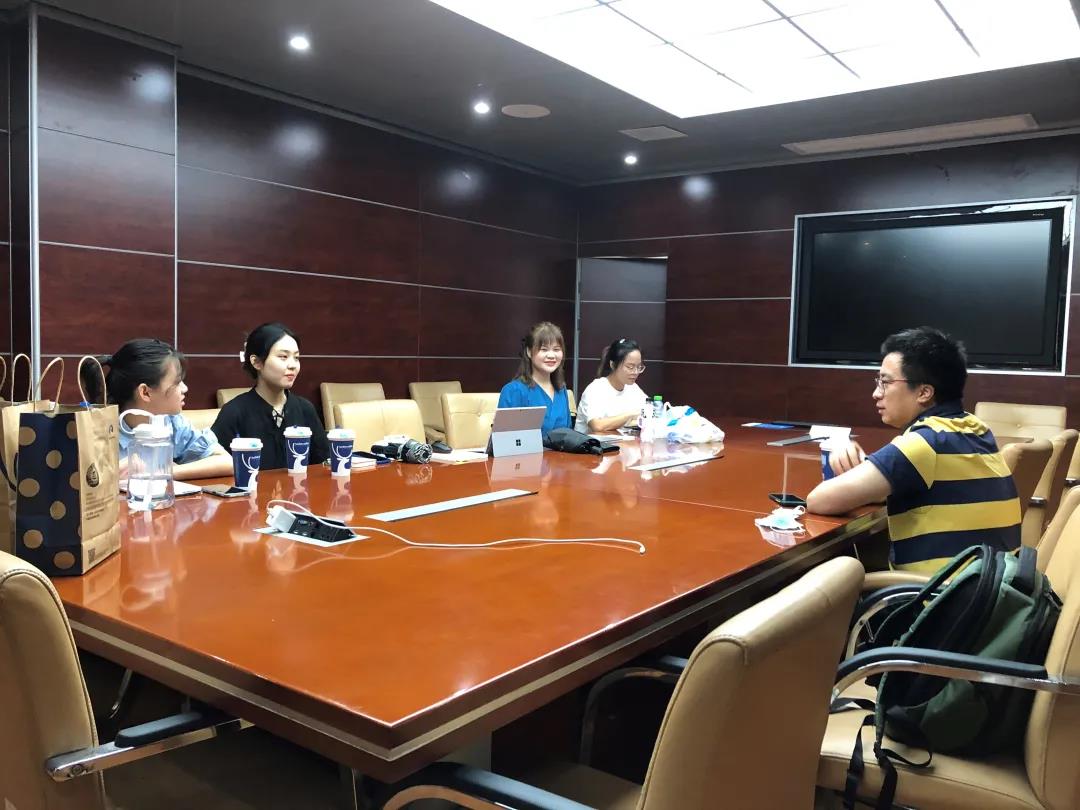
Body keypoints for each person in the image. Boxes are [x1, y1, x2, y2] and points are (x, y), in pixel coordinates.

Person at [806, 326, 1021, 574]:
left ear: (924, 392)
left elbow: (819, 500)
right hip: (991, 587)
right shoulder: (976, 429)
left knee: (835, 578)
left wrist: (845, 455)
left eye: (885, 382)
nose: (876, 393)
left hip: (940, 595)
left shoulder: (925, 443)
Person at [81, 339, 233, 481]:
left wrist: (160, 472)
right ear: (145, 392)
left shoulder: (172, 422)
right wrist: (110, 477)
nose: (185, 388)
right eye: (177, 382)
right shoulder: (96, 430)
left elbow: (226, 462)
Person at [211, 322, 330, 470]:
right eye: (283, 357)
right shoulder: (234, 411)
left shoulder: (305, 408)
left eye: (296, 357)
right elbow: (214, 463)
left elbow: (323, 463)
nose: (293, 365)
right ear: (256, 362)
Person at [498, 321, 572, 436]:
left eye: (556, 349)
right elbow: (504, 439)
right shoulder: (514, 390)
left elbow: (569, 435)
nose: (551, 355)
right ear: (529, 352)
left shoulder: (561, 389)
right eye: (544, 349)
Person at [575, 337, 648, 433]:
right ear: (613, 365)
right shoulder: (596, 389)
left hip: (622, 441)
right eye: (630, 367)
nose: (635, 372)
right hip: (592, 442)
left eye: (639, 367)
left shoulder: (633, 388)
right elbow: (597, 425)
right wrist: (630, 416)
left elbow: (649, 413)